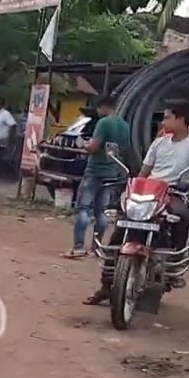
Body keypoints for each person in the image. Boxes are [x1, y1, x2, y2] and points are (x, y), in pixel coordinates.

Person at [85, 101, 189, 305]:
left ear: (181, 119)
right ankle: (106, 285)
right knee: (121, 227)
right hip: (150, 191)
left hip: (174, 191)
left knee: (181, 214)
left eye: (167, 117)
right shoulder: (159, 143)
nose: (163, 121)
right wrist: (132, 188)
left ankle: (175, 262)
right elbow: (144, 171)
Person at [65, 96, 131, 258]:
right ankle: (96, 247)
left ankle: (79, 246)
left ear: (103, 107)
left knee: (83, 208)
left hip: (95, 170)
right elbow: (124, 149)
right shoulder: (124, 125)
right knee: (101, 211)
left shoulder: (104, 123)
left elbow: (94, 147)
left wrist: (84, 144)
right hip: (112, 172)